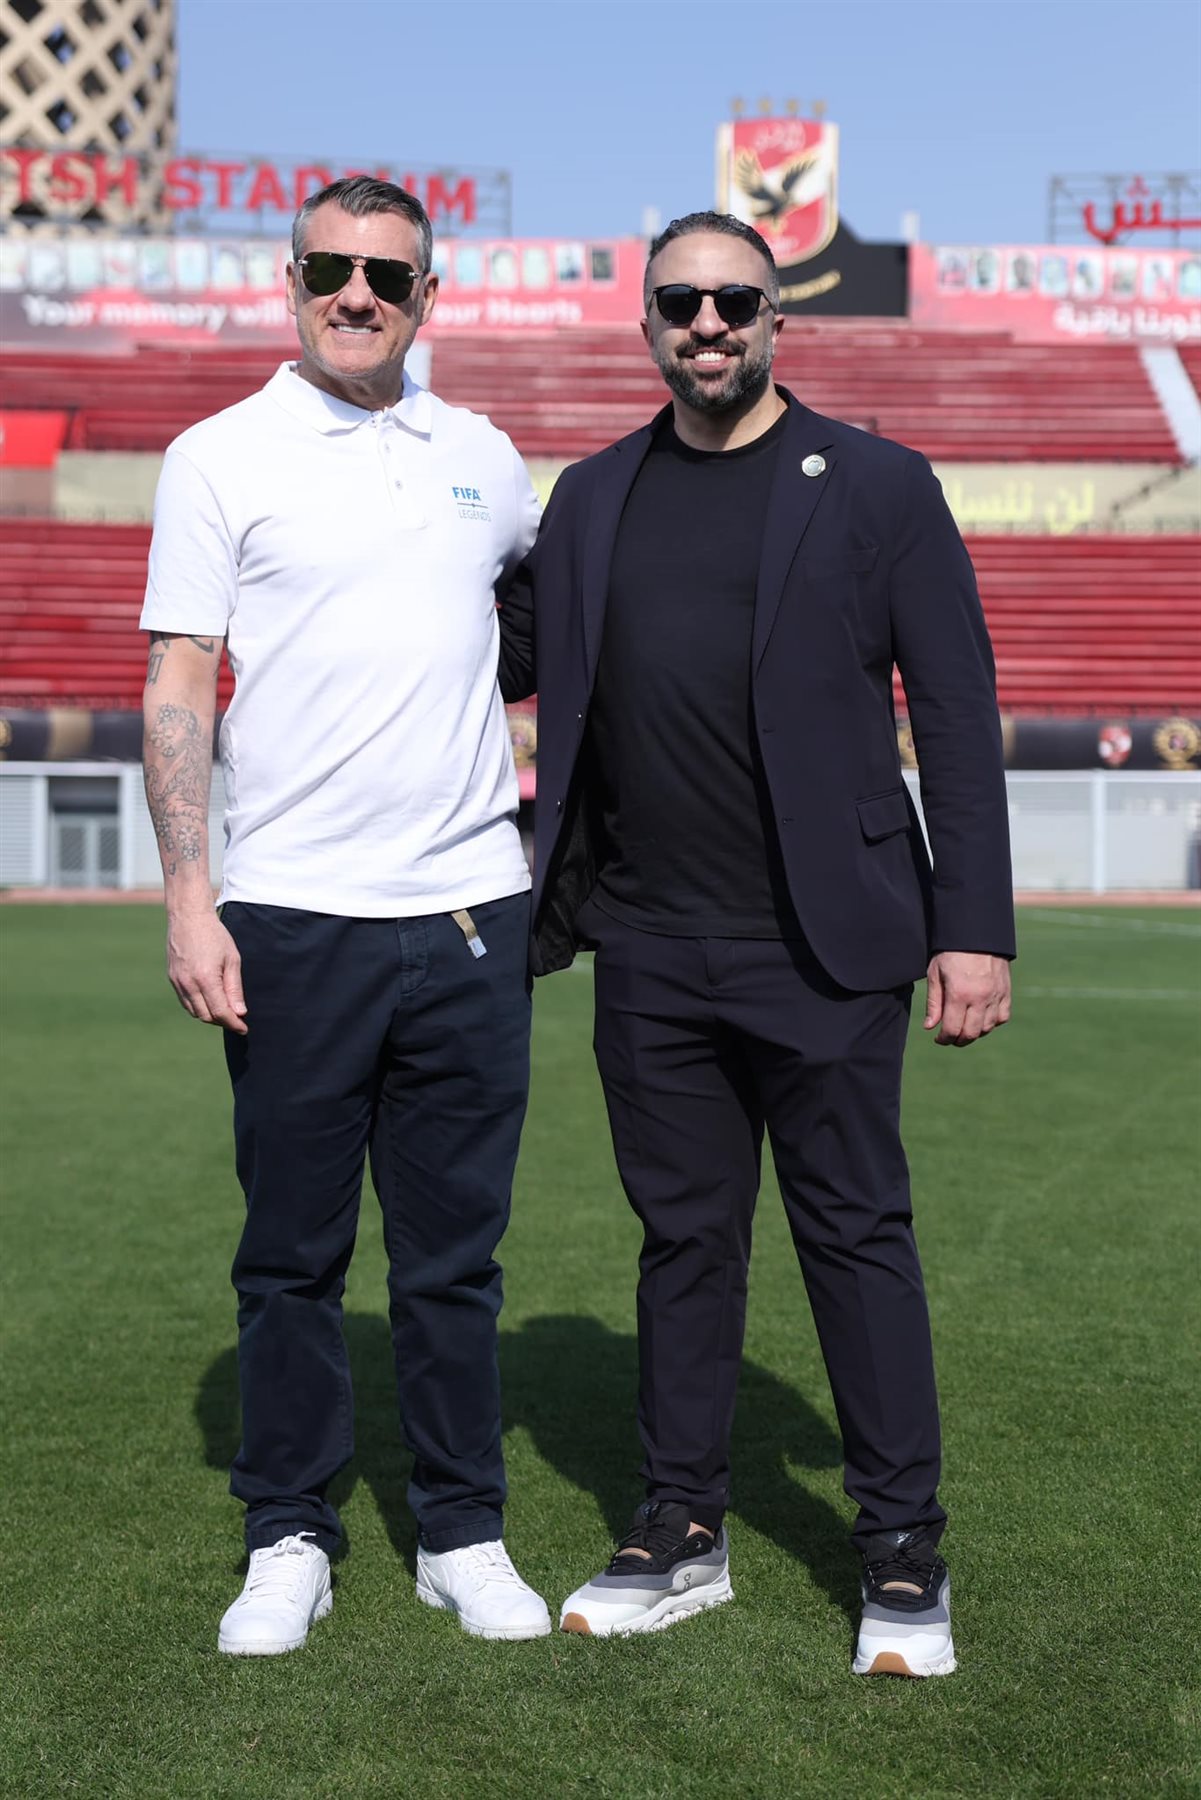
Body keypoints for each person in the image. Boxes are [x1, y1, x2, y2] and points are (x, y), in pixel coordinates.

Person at [497, 211, 1014, 1676]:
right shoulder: (592, 496)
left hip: (827, 946)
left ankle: (900, 1546)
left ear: (776, 317)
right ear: (647, 322)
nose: (708, 324)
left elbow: (956, 713)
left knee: (855, 1238)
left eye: (735, 301)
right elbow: (484, 644)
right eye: (682, 303)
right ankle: (681, 1527)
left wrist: (972, 929)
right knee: (682, 1243)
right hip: (648, 944)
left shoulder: (878, 484)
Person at [140, 176, 550, 1655]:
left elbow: (539, 625)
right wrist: (190, 895)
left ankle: (461, 1532)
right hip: (293, 916)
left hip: (469, 913)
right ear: (293, 282)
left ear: (428, 297)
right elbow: (180, 678)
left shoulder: (484, 457)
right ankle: (289, 1535)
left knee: (454, 1263)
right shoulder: (216, 456)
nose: (356, 294)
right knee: (291, 1260)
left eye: (386, 274)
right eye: (330, 270)